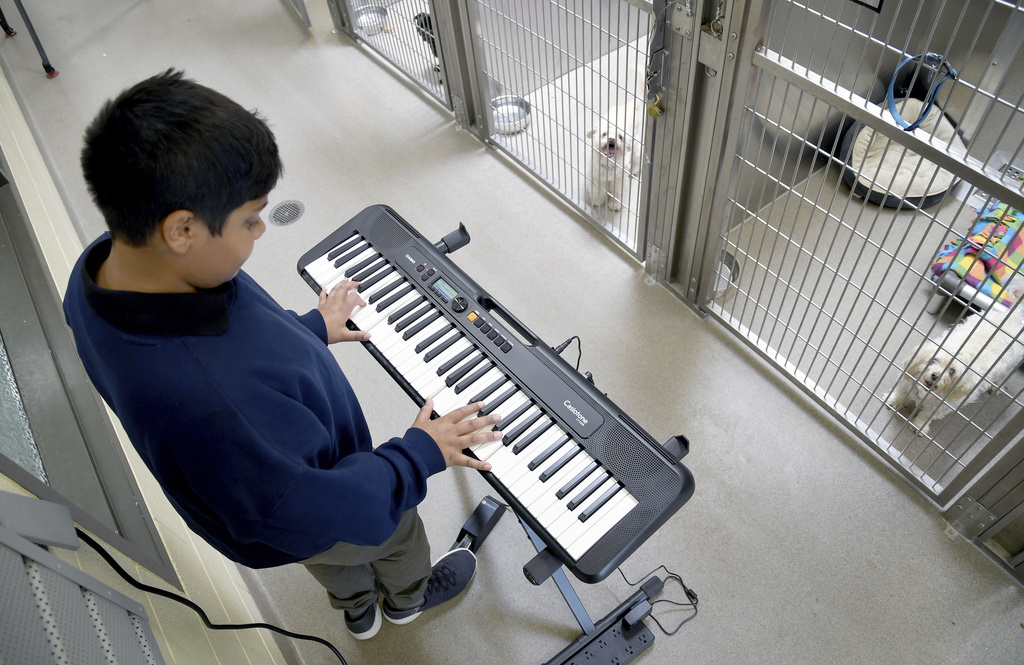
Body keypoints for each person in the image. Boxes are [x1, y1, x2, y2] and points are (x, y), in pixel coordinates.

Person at [62, 69, 503, 640]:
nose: (262, 230)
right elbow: (310, 505)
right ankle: (406, 600)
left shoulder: (101, 270)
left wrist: (308, 328)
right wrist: (418, 455)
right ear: (182, 230)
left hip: (277, 505)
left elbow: (239, 352)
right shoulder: (214, 402)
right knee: (388, 536)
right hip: (321, 499)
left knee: (329, 562)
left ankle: (357, 610)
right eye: (249, 218)